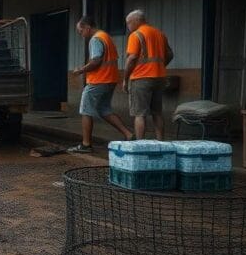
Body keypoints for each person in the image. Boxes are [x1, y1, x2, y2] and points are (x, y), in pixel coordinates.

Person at [67, 16, 133, 153]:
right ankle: (128, 134)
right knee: (104, 109)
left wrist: (80, 70)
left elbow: (96, 60)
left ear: (87, 27)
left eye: (81, 31)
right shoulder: (106, 36)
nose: (81, 35)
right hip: (110, 79)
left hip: (98, 80)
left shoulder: (96, 39)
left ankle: (86, 145)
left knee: (85, 110)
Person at [123, 9, 174, 140]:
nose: (128, 26)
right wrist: (159, 66)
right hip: (159, 78)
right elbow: (170, 54)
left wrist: (125, 78)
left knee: (140, 114)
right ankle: (161, 142)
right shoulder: (159, 34)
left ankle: (140, 145)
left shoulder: (136, 35)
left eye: (128, 23)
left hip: (140, 79)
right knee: (157, 113)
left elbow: (132, 58)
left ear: (136, 21)